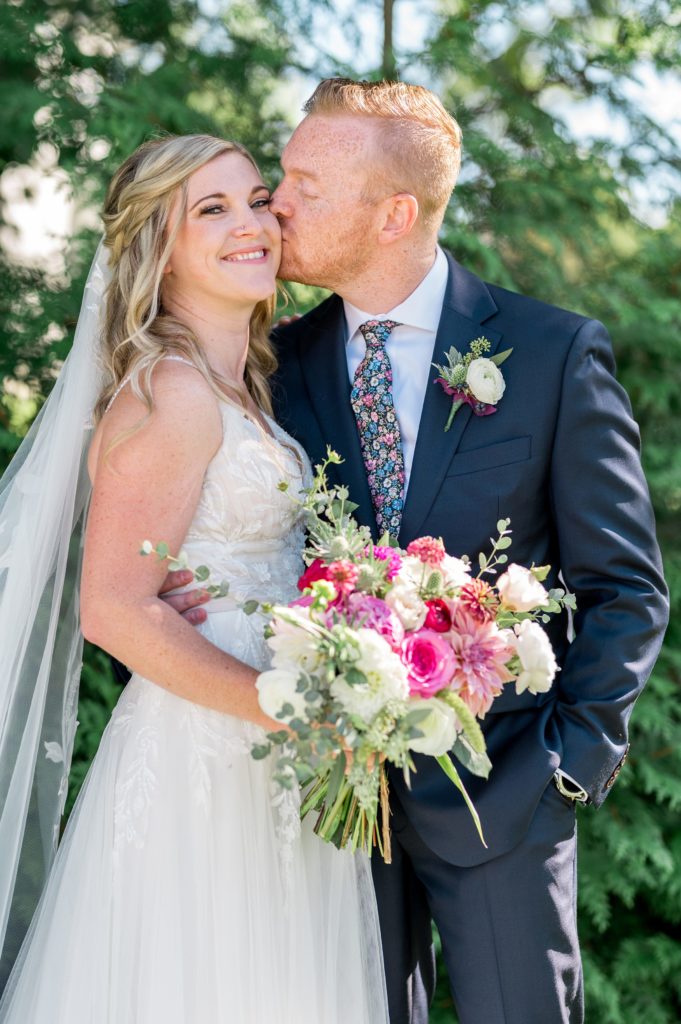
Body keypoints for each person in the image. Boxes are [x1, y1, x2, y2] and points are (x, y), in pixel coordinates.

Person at [264, 79, 668, 1023]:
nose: (276, 201)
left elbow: (624, 586)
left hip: (506, 795)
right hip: (329, 808)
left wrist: (571, 761)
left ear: (393, 212)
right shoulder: (270, 363)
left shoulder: (550, 352)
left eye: (304, 182)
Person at [0, 134, 388, 1022]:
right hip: (208, 753)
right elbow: (112, 608)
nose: (252, 222)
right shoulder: (170, 391)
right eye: (210, 210)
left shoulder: (246, 385)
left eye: (256, 199)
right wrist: (289, 707)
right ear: (157, 248)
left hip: (274, 748)